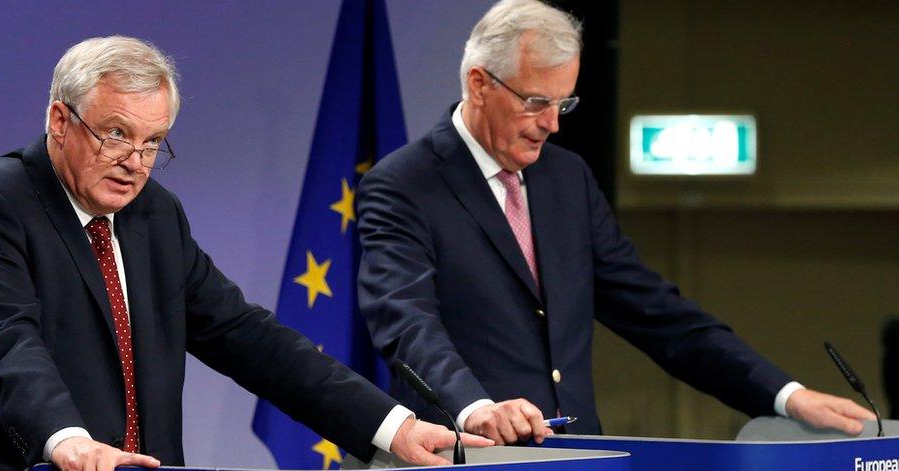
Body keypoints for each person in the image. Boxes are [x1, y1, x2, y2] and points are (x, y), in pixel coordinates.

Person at [0, 35, 490, 471]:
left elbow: (245, 336)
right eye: (116, 134)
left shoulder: (154, 215)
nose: (135, 164)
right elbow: (6, 341)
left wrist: (390, 427)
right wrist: (67, 438)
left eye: (154, 143)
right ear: (59, 120)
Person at [356, 0, 874, 446]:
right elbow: (408, 324)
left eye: (565, 103)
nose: (553, 124)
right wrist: (476, 408)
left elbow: (657, 313)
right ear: (479, 83)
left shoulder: (567, 178)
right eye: (537, 102)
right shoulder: (404, 185)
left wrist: (785, 395)